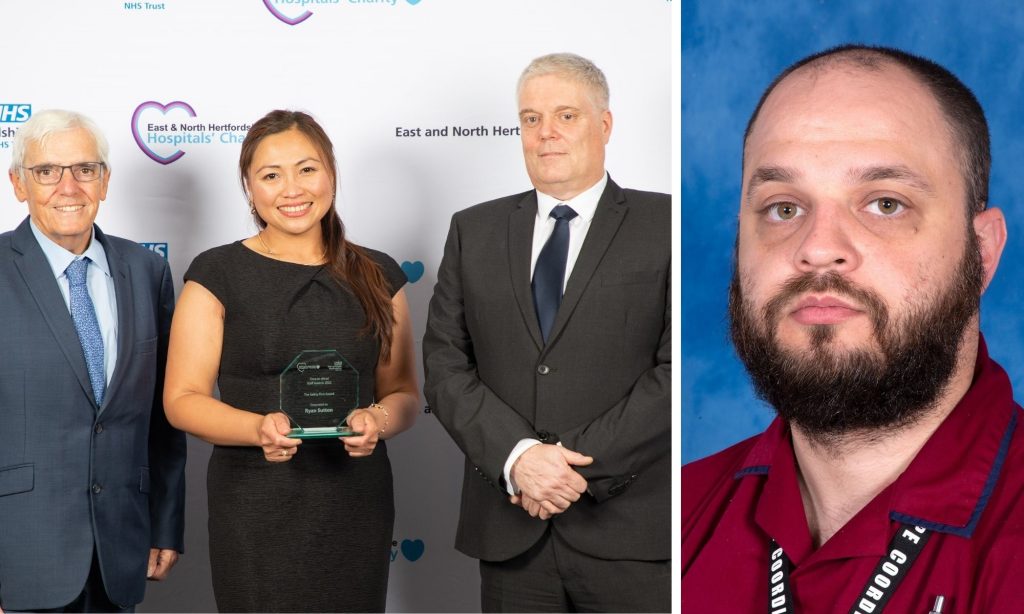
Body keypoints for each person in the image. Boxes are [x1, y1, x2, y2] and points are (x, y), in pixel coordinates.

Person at [680, 45, 1024, 612]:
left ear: (982, 252)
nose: (817, 250)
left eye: (885, 203)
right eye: (783, 208)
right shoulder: (677, 514)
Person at [423, 53, 670, 612]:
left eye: (566, 116)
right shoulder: (473, 229)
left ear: (604, 125)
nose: (546, 134)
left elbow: (677, 369)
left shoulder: (665, 224)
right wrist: (518, 460)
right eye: (530, 119)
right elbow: (443, 363)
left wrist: (561, 469)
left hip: (630, 533)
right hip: (513, 536)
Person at [163, 109, 419, 612]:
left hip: (355, 504)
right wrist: (258, 428)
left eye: (307, 169)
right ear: (248, 187)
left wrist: (378, 420)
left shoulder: (379, 273)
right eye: (271, 175)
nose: (292, 189)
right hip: (255, 506)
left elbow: (405, 393)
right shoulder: (217, 272)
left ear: (331, 173)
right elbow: (181, 400)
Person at [0, 109, 186, 612]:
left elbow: (164, 419)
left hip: (119, 552)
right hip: (18, 556)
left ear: (104, 181)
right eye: (47, 171)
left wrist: (166, 522)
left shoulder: (148, 271)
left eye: (84, 169)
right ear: (19, 184)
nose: (69, 186)